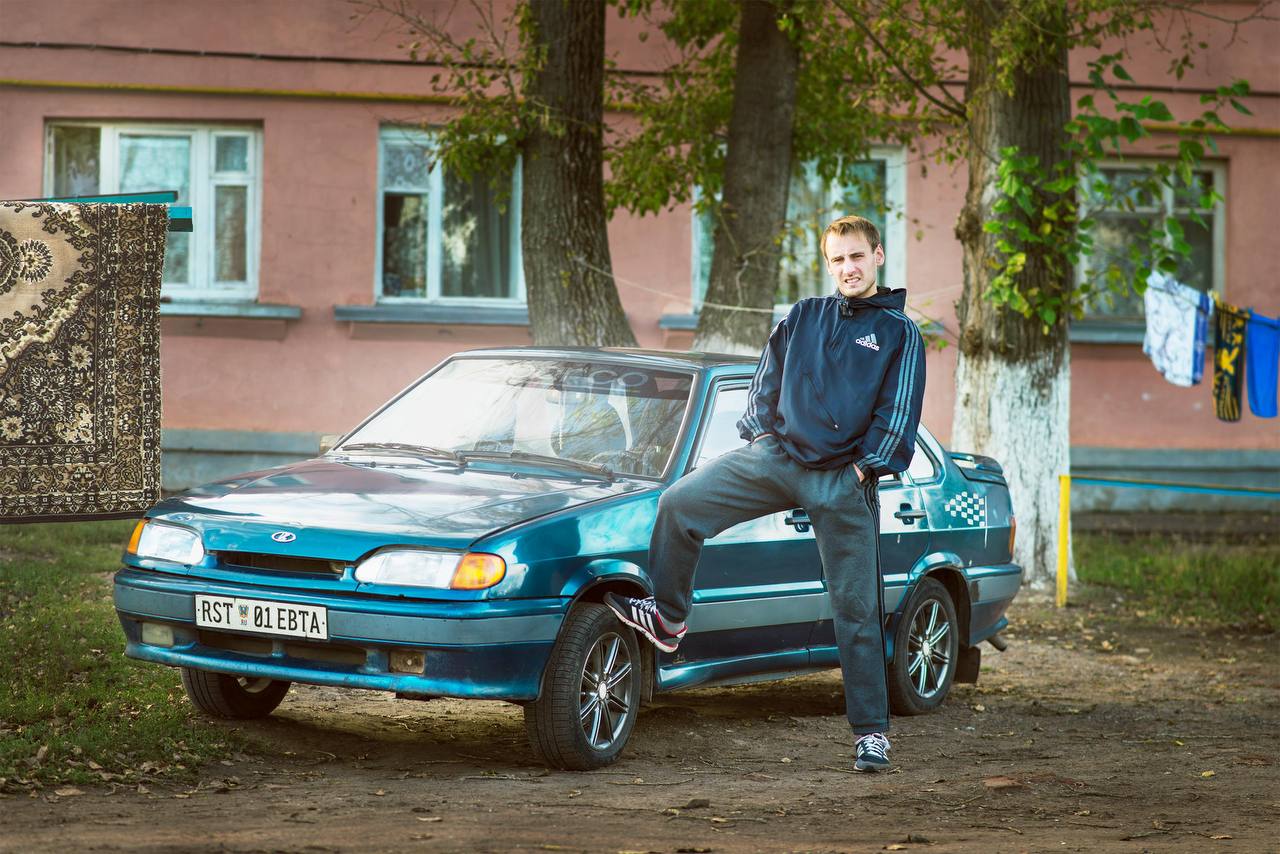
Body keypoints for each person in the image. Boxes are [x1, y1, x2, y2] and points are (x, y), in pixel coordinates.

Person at [606, 214, 926, 772]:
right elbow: (765, 379)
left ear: (877, 256)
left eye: (856, 256)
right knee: (679, 504)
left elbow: (898, 413)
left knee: (855, 610)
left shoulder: (899, 332)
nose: (847, 268)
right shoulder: (804, 315)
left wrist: (860, 472)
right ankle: (669, 619)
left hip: (841, 479)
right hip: (776, 458)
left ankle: (871, 733)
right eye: (837, 260)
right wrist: (760, 436)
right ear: (828, 265)